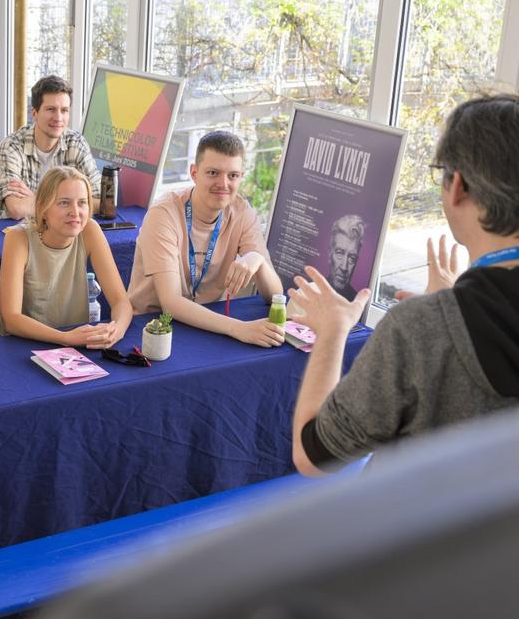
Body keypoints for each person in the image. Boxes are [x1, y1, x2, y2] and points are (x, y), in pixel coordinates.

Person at [290, 94, 519, 476]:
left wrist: (332, 330)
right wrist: (452, 302)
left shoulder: (417, 328)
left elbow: (314, 456)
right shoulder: (432, 322)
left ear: (457, 185)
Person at [127, 130, 285, 347]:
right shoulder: (163, 214)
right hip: (152, 328)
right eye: (213, 173)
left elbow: (276, 296)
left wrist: (257, 259)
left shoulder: (243, 212)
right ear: (194, 173)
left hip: (208, 324)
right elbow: (171, 303)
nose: (223, 184)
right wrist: (238, 328)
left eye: (233, 175)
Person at [0, 166, 132, 347]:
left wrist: (115, 331)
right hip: (21, 342)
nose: (75, 212)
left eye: (82, 202)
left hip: (74, 338)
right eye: (64, 203)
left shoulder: (90, 230)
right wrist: (65, 338)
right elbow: (11, 319)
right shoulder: (18, 238)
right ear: (43, 209)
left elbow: (121, 302)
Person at [0, 75, 101, 220]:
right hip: (18, 229)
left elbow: (100, 201)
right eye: (51, 109)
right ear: (34, 113)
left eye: (64, 110)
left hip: (62, 229)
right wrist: (70, 201)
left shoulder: (76, 144)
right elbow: (17, 209)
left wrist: (36, 198)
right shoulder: (12, 146)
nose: (58, 118)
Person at [326, 214, 365, 300]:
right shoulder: (308, 290)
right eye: (340, 253)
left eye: (352, 258)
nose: (344, 267)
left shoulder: (357, 302)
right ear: (330, 254)